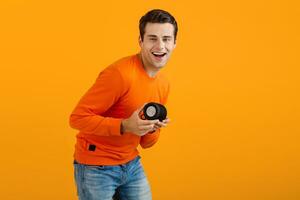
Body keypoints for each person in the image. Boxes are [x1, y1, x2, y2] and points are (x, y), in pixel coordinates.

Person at [69, 9, 178, 200]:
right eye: (152, 38)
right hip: (96, 167)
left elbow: (146, 143)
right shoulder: (120, 74)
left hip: (131, 164)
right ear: (140, 41)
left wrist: (151, 129)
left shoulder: (163, 84)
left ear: (175, 43)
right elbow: (77, 118)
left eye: (166, 39)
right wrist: (124, 125)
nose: (160, 46)